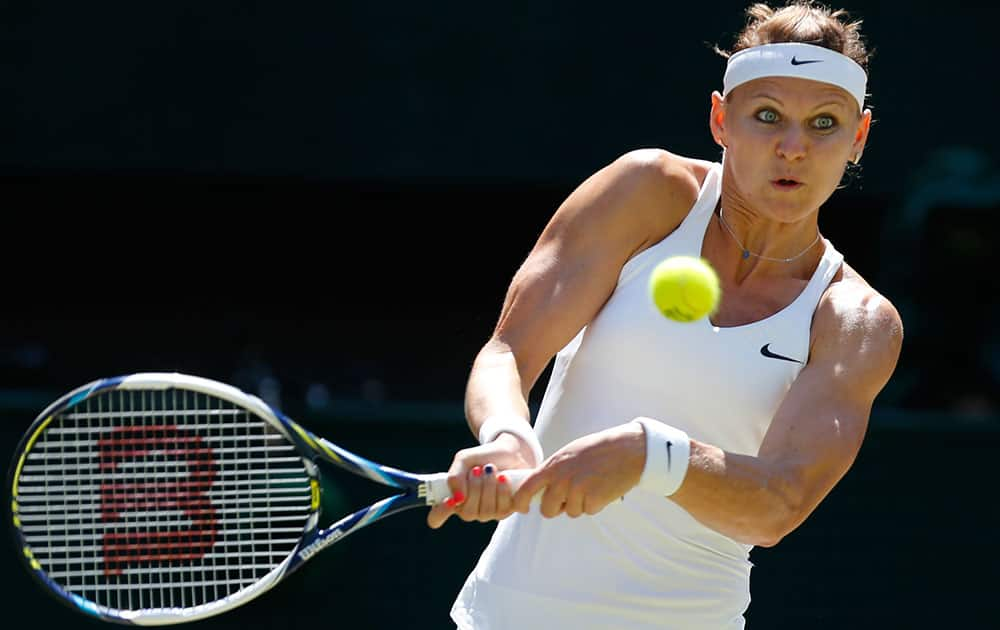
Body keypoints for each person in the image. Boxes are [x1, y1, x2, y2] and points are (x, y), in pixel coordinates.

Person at [428, 2, 904, 628]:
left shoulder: (855, 320)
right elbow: (508, 354)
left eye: (824, 124)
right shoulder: (645, 193)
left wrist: (654, 454)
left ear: (858, 138)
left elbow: (776, 507)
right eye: (767, 116)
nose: (793, 148)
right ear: (720, 119)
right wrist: (506, 435)